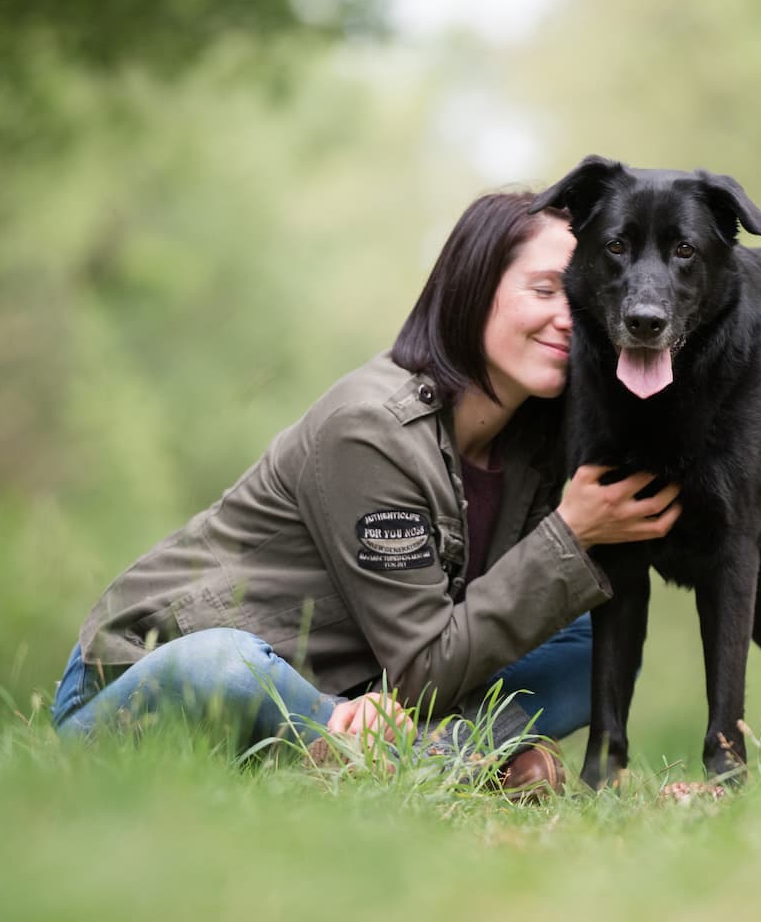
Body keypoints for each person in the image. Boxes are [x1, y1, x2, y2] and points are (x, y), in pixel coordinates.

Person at [51, 191, 681, 798]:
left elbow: (460, 643)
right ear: (471, 290)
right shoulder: (371, 428)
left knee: (591, 644)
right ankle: (449, 757)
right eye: (544, 290)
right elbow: (426, 667)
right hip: (140, 681)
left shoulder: (541, 438)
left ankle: (377, 752)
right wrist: (568, 536)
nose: (568, 316)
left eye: (583, 294)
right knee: (225, 666)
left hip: (369, 694)